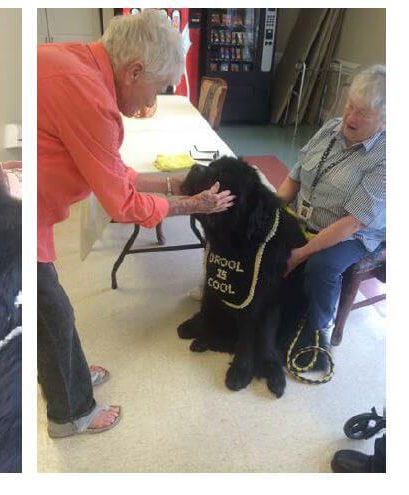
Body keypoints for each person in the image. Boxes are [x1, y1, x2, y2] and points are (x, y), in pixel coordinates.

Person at [37, 10, 235, 438]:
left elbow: (112, 171)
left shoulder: (76, 62)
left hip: (24, 206)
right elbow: (121, 203)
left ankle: (68, 371)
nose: (150, 103)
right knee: (50, 313)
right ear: (135, 70)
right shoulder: (91, 98)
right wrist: (192, 204)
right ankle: (70, 415)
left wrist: (171, 182)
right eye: (156, 89)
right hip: (12, 216)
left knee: (50, 309)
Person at [277, 64, 385, 349]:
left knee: (321, 266)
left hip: (353, 234)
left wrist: (300, 254)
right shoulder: (330, 128)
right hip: (306, 216)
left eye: (362, 112)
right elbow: (295, 177)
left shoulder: (388, 157)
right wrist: (270, 213)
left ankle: (316, 333)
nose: (349, 116)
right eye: (350, 105)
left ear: (384, 120)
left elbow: (352, 222)